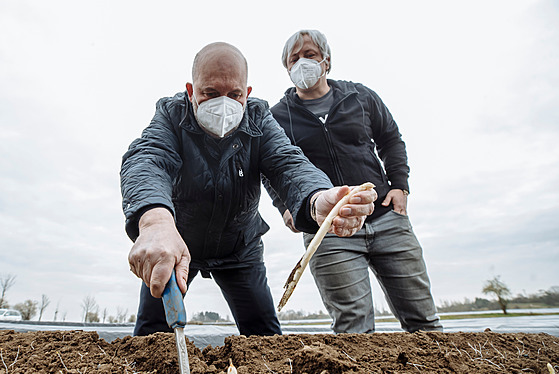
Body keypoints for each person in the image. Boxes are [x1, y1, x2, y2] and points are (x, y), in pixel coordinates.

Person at [120, 42, 376, 337]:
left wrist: (317, 197)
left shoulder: (259, 119)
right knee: (152, 335)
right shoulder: (171, 115)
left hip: (239, 247)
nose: (223, 105)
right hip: (176, 243)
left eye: (235, 95)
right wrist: (154, 221)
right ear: (191, 92)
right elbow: (148, 158)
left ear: (247, 94)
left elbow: (287, 163)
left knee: (264, 334)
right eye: (210, 94)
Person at [266, 30, 442, 333]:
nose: (301, 63)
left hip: (387, 219)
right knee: (353, 327)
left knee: (423, 319)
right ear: (287, 69)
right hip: (329, 230)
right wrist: (286, 206)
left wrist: (400, 185)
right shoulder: (277, 116)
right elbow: (271, 166)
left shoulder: (360, 97)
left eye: (309, 55)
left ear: (326, 61)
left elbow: (391, 139)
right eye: (293, 59)